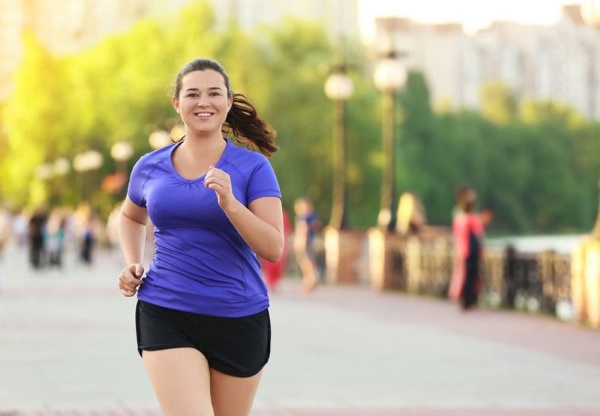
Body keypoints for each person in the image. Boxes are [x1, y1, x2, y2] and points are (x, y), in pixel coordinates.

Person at [117, 58, 284, 416]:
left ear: (227, 102)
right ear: (177, 104)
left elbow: (273, 247)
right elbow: (130, 216)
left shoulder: (254, 168)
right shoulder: (149, 166)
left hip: (239, 316)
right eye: (192, 94)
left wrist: (231, 204)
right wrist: (133, 261)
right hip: (166, 309)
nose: (203, 102)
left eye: (213, 93)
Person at [448, 185, 485, 310]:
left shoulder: (459, 217)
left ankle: (466, 298)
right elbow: (478, 234)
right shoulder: (469, 218)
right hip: (470, 251)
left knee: (467, 275)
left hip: (463, 250)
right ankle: (468, 298)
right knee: (470, 275)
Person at [292, 197, 321, 292]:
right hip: (307, 240)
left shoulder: (305, 217)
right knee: (306, 261)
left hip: (306, 241)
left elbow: (303, 230)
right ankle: (309, 280)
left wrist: (301, 242)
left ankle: (310, 280)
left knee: (306, 261)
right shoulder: (307, 217)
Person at [260, 208, 292, 292]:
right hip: (268, 239)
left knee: (278, 263)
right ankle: (271, 283)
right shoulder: (264, 211)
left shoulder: (283, 214)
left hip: (281, 240)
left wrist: (287, 243)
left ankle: (275, 282)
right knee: (269, 263)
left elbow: (288, 230)